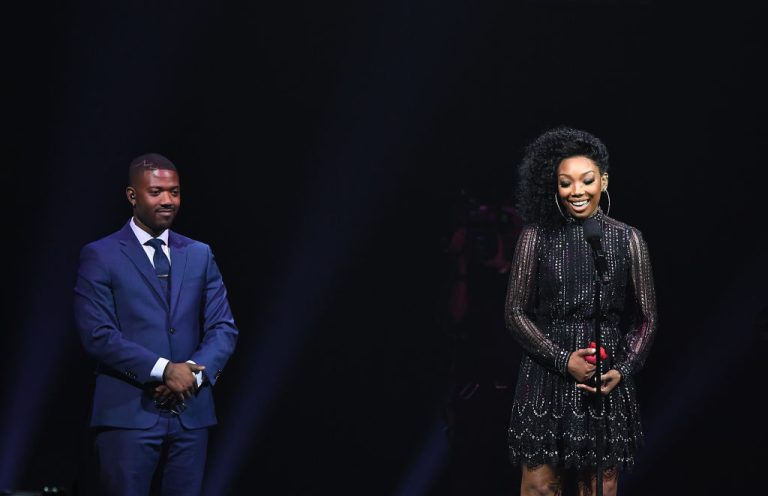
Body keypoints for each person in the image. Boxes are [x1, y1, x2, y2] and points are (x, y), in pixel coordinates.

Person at [74, 153, 238, 495]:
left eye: (174, 192)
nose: (168, 200)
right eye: (156, 192)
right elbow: (97, 334)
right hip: (128, 414)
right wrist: (164, 370)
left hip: (191, 414)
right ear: (132, 195)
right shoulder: (101, 254)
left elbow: (223, 327)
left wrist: (191, 375)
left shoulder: (199, 253)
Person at [504, 127, 657, 495]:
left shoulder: (628, 238)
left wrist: (623, 369)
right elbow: (515, 312)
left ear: (603, 181)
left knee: (598, 486)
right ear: (554, 186)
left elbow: (646, 318)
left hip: (605, 376)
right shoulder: (536, 236)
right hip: (547, 373)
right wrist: (562, 359)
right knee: (540, 485)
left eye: (587, 180)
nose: (577, 191)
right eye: (565, 182)